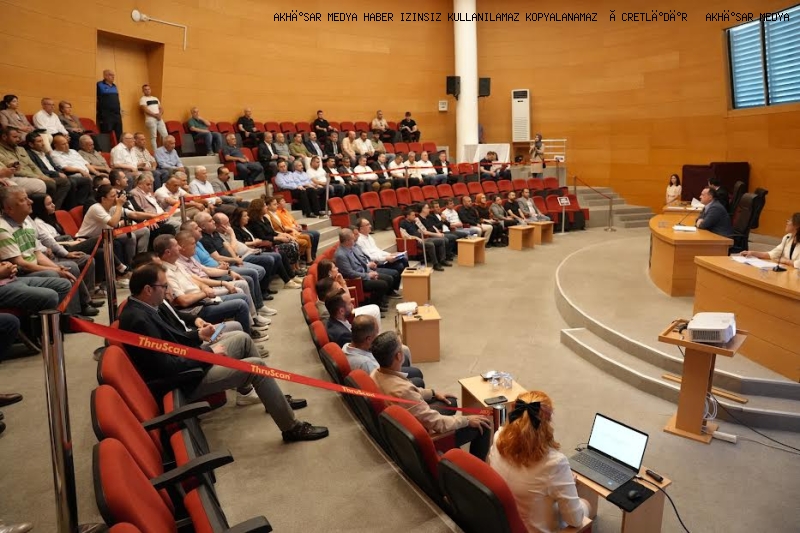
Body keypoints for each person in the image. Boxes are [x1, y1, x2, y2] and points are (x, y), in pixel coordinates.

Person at [119, 263, 329, 442]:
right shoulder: (138, 320)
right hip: (184, 380)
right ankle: (291, 428)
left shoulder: (145, 307)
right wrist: (208, 353)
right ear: (148, 289)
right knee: (256, 367)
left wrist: (199, 336)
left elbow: (174, 338)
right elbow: (167, 367)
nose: (167, 291)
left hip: (190, 360)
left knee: (242, 338)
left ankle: (271, 399)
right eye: (164, 286)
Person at [370, 331, 492, 459]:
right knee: (483, 424)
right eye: (401, 345)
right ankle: (475, 466)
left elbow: (410, 392)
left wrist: (433, 393)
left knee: (450, 401)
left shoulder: (375, 373)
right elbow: (437, 423)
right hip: (427, 438)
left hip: (407, 423)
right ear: (399, 356)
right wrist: (466, 420)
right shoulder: (404, 391)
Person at [488, 391, 592, 533]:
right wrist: (565, 482)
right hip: (533, 529)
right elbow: (575, 520)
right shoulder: (554, 464)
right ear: (547, 422)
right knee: (585, 504)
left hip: (503, 520)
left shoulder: (498, 437)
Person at [154, 235, 265, 340]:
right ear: (168, 252)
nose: (179, 247)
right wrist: (205, 292)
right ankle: (247, 337)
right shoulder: (166, 273)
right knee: (240, 303)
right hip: (196, 308)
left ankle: (249, 330)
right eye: (176, 245)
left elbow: (196, 279)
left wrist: (206, 287)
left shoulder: (176, 264)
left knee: (241, 295)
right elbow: (182, 301)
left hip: (203, 298)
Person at [0, 187, 75, 312]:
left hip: (22, 271)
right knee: (53, 276)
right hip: (20, 272)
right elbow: (21, 264)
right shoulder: (3, 228)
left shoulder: (27, 222)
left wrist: (58, 268)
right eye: (23, 200)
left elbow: (37, 253)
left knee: (68, 271)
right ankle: (53, 322)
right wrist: (55, 269)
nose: (31, 202)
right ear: (9, 209)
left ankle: (71, 315)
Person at [30, 194, 104, 313]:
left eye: (52, 202)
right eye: (49, 204)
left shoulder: (49, 219)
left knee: (89, 258)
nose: (53, 205)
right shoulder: (37, 223)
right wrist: (66, 250)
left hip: (62, 247)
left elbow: (47, 242)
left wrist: (73, 240)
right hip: (60, 250)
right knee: (100, 239)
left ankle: (89, 297)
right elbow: (50, 242)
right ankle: (82, 304)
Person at [77, 185, 148, 285]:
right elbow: (113, 223)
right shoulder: (96, 208)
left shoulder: (112, 207)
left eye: (116, 195)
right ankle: (122, 271)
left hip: (105, 237)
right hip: (87, 240)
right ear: (103, 199)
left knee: (131, 236)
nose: (116, 198)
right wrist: (119, 205)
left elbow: (134, 214)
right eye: (113, 196)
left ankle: (130, 268)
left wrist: (155, 216)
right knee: (108, 246)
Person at [342, 315, 425, 385]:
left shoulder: (346, 347)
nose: (378, 336)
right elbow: (382, 383)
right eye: (377, 333)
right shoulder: (366, 365)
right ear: (368, 339)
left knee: (405, 359)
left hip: (381, 370)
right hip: (386, 380)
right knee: (418, 378)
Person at [229, 207, 298, 290]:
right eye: (245, 216)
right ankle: (271, 286)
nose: (248, 217)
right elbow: (240, 243)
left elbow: (261, 236)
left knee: (279, 254)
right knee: (273, 257)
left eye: (247, 215)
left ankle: (290, 278)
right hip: (247, 253)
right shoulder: (235, 230)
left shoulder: (246, 227)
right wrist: (254, 242)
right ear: (238, 218)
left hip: (255, 249)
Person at [333, 228, 391, 307]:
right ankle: (374, 304)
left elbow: (362, 263)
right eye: (352, 239)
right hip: (357, 280)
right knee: (382, 284)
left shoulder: (351, 247)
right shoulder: (341, 255)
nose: (354, 240)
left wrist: (370, 271)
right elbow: (350, 273)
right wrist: (368, 275)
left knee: (388, 278)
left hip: (364, 273)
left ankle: (379, 301)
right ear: (347, 241)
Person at [314, 270, 381, 326]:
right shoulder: (325, 313)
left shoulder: (325, 300)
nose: (341, 289)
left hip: (346, 313)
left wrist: (342, 282)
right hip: (348, 317)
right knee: (375, 310)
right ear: (329, 294)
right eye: (338, 289)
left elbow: (346, 298)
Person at [96, 69, 122, 141]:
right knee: (107, 134)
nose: (113, 77)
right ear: (105, 76)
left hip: (116, 114)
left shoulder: (114, 86)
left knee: (119, 133)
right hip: (106, 115)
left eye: (113, 75)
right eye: (110, 75)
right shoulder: (99, 84)